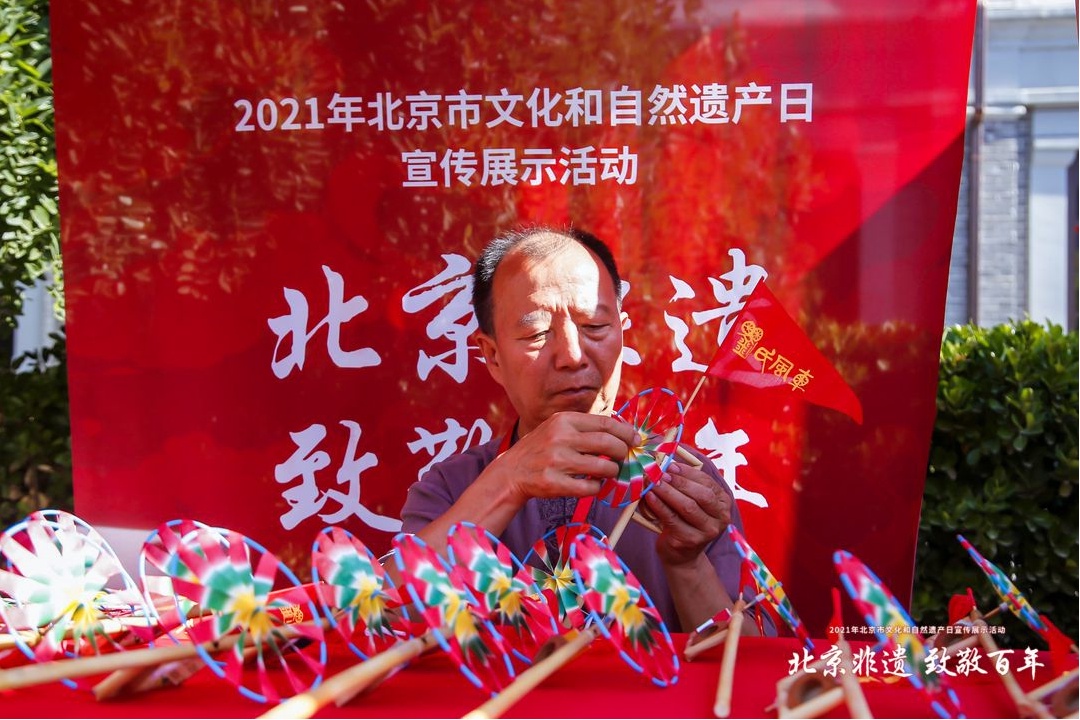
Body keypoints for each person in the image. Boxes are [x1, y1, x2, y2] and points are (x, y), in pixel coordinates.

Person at [400, 226, 760, 634]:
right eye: (537, 334)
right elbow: (391, 614)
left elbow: (748, 653)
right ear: (493, 356)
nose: (572, 356)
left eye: (594, 326)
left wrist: (687, 563)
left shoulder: (683, 479)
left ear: (622, 333)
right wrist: (509, 479)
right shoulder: (452, 487)